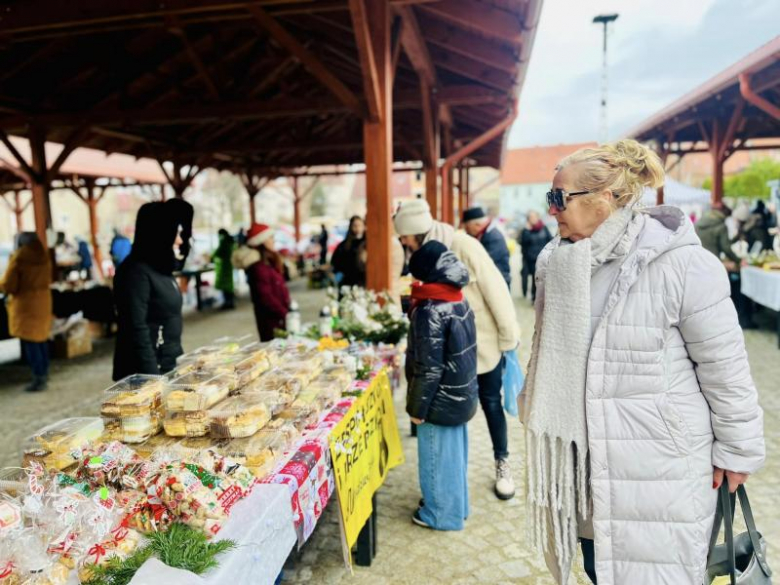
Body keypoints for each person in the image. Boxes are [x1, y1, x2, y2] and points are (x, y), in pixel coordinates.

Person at [520, 139, 765, 584]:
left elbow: (725, 369)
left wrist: (738, 451)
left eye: (560, 198)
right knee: (599, 569)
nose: (552, 209)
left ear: (606, 198)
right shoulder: (556, 265)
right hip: (587, 470)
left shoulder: (684, 264)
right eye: (549, 198)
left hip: (660, 468)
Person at [394, 199, 519, 500]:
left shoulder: (462, 244)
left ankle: (502, 462)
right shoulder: (422, 255)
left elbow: (496, 289)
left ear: (415, 232)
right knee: (448, 416)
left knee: (491, 402)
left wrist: (508, 338)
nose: (402, 242)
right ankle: (449, 485)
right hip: (448, 355)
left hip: (482, 345)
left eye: (404, 237)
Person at [406, 241, 478, 531]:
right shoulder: (457, 297)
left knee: (436, 460)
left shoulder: (430, 310)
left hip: (439, 401)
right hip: (460, 394)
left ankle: (440, 515)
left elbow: (428, 368)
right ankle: (457, 507)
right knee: (454, 459)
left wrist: (416, 408)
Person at [112, 199, 194, 381]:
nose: (180, 240)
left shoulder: (161, 267)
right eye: (176, 233)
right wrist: (153, 378)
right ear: (161, 234)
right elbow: (136, 328)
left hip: (168, 363)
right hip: (146, 373)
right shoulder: (135, 272)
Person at [0, 232, 52, 392]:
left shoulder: (19, 258)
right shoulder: (44, 257)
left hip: (26, 305)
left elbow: (9, 285)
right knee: (41, 339)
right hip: (43, 302)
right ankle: (44, 372)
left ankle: (38, 377)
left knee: (31, 342)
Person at [232, 223, 290, 341]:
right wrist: (285, 313)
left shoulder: (269, 262)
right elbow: (266, 298)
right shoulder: (258, 268)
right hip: (271, 321)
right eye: (270, 238)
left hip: (280, 318)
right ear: (261, 241)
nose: (273, 241)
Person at [461, 206, 511, 287]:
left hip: (498, 283)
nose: (466, 231)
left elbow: (484, 262)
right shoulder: (485, 234)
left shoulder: (493, 237)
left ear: (477, 225)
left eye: (467, 227)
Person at [519, 210, 552, 301]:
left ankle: (540, 298)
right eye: (530, 217)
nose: (533, 219)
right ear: (528, 219)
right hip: (531, 260)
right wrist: (526, 230)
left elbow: (550, 240)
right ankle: (535, 298)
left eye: (534, 217)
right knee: (535, 279)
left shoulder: (544, 228)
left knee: (543, 278)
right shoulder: (526, 231)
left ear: (538, 217)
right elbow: (523, 243)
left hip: (543, 258)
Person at [331, 215, 367, 290]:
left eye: (360, 225)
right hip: (347, 282)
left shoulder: (367, 243)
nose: (357, 228)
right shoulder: (344, 245)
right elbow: (335, 262)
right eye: (355, 225)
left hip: (363, 281)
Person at [211, 229, 236, 310]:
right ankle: (230, 302)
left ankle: (227, 303)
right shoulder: (231, 241)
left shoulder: (224, 242)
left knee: (225, 287)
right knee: (229, 286)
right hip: (229, 266)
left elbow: (217, 253)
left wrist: (211, 257)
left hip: (223, 267)